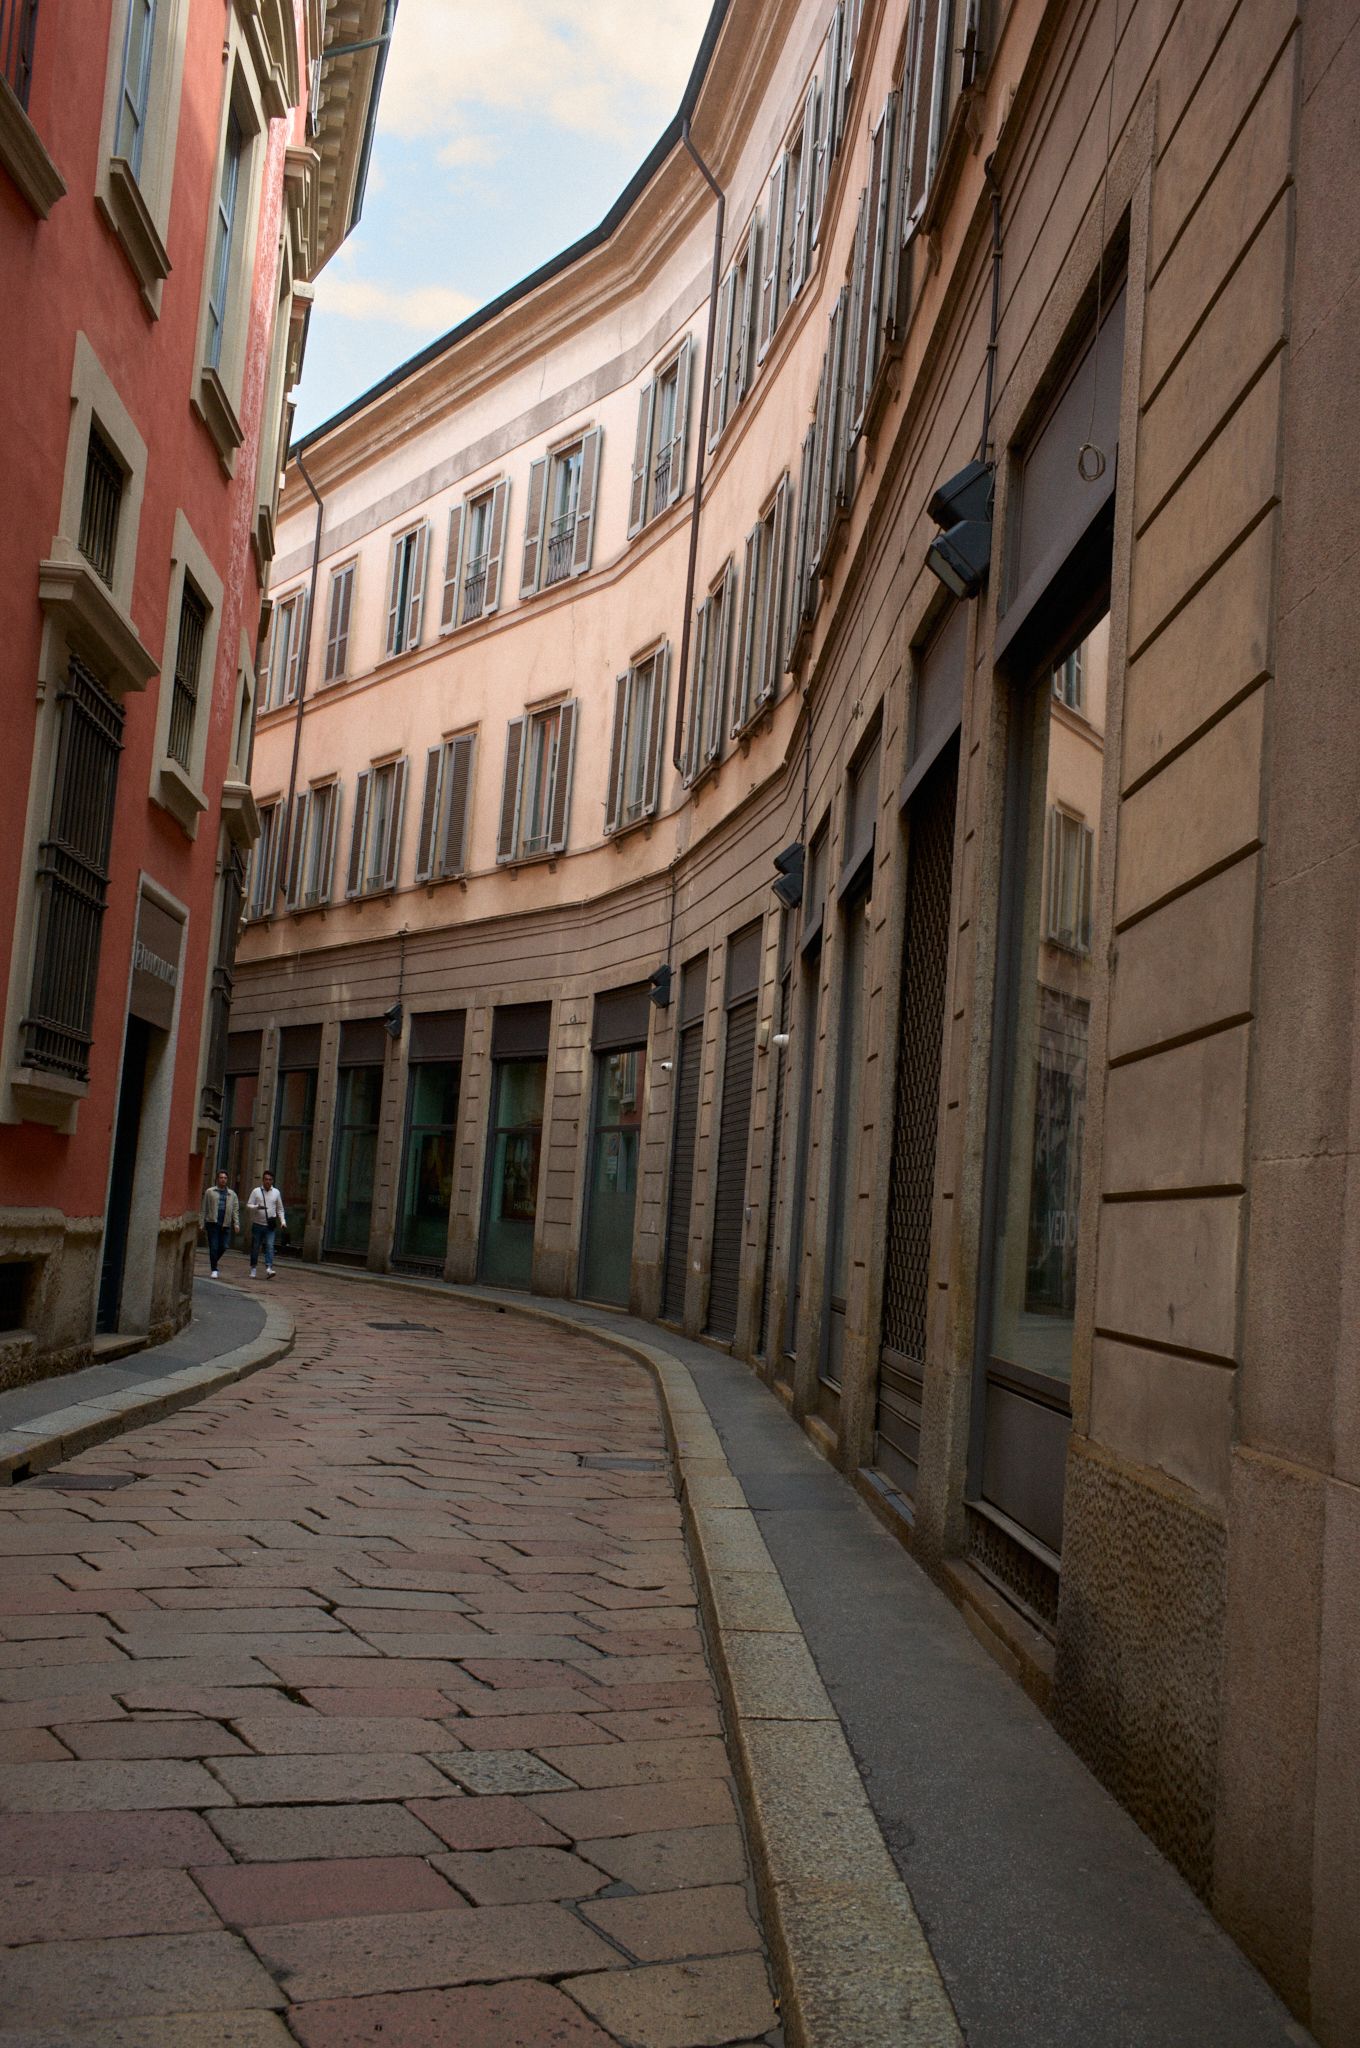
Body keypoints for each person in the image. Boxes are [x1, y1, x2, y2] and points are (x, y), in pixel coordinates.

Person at [245, 1169, 287, 1279]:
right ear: (263, 1180)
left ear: (272, 1181)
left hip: (270, 1225)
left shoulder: (276, 1193)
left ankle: (269, 1268)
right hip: (257, 1224)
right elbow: (248, 1205)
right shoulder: (256, 1191)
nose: (268, 1181)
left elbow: (280, 1209)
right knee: (255, 1247)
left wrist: (283, 1221)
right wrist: (256, 1207)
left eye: (270, 1180)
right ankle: (253, 1268)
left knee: (269, 1246)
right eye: (266, 1179)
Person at [201, 1170, 239, 1279]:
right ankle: (214, 1269)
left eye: (225, 1178)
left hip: (225, 1224)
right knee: (213, 1247)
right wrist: (201, 1222)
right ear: (217, 1179)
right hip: (212, 1223)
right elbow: (204, 1208)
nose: (223, 1180)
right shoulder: (210, 1192)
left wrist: (236, 1223)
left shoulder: (232, 1194)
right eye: (221, 1177)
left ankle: (213, 1260)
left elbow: (235, 1210)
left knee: (223, 1246)